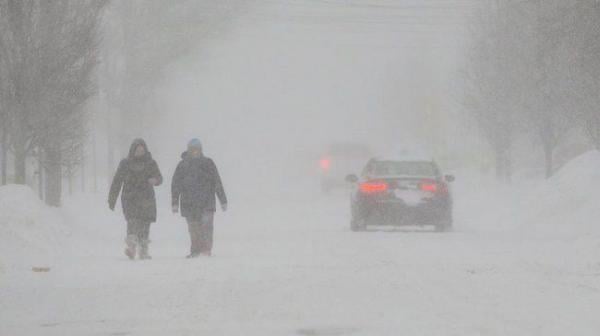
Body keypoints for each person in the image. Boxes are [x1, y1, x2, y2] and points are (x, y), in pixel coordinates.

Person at [171, 138, 227, 258]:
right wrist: (174, 202)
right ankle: (195, 250)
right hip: (189, 203)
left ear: (201, 150)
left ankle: (206, 249)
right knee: (194, 229)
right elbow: (176, 184)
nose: (195, 152)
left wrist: (223, 200)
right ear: (189, 150)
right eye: (193, 149)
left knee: (206, 226)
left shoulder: (208, 163)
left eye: (197, 149)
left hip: (207, 202)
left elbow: (217, 181)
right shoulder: (182, 165)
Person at [109, 138, 163, 260]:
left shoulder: (151, 163)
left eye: (141, 150)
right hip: (130, 198)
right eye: (137, 150)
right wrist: (112, 199)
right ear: (132, 151)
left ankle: (144, 250)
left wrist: (155, 180)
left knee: (145, 224)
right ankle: (132, 248)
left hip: (146, 198)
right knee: (132, 223)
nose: (139, 152)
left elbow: (159, 177)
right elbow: (117, 181)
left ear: (145, 150)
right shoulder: (125, 164)